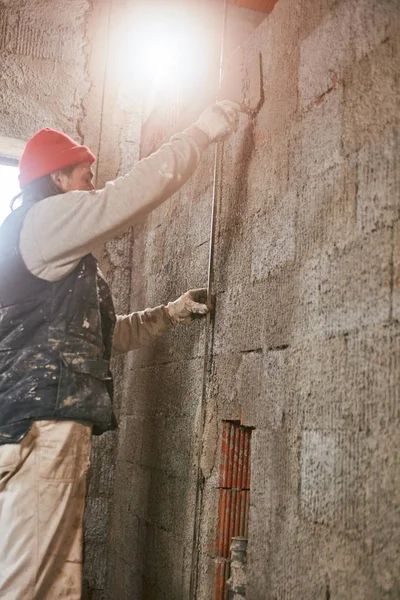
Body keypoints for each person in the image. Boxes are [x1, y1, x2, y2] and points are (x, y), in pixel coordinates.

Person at [0, 100, 240, 599]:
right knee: (34, 587)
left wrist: (169, 313)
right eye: (86, 176)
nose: (93, 186)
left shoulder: (49, 259)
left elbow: (99, 338)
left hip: (31, 423)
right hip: (40, 428)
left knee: (50, 580)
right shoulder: (42, 223)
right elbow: (124, 198)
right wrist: (197, 134)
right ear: (58, 180)